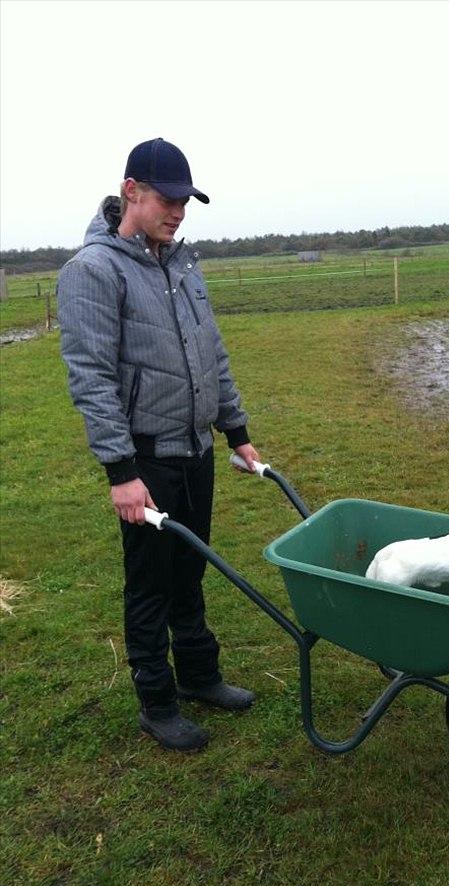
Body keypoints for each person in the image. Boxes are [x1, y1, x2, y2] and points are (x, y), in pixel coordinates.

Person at [58, 137, 259, 753]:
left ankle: (200, 677)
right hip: (144, 458)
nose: (178, 210)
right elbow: (90, 378)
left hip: (194, 450)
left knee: (190, 569)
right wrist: (121, 471)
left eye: (185, 201)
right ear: (130, 193)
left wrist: (237, 432)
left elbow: (211, 353)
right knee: (150, 581)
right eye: (167, 199)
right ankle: (158, 702)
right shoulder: (92, 271)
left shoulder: (182, 264)